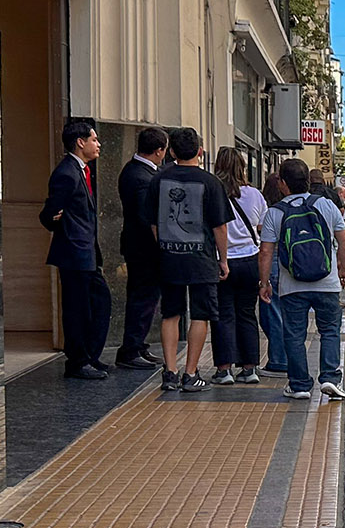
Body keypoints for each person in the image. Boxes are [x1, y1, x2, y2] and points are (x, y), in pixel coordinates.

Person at [143, 128, 231, 393]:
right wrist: (223, 259)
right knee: (200, 316)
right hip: (201, 258)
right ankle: (190, 373)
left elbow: (153, 223)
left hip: (169, 256)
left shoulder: (158, 180)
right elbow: (220, 227)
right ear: (200, 152)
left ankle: (169, 372)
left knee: (170, 313)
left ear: (171, 152)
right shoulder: (211, 182)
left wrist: (164, 245)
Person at [259, 157, 345, 400]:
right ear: (308, 181)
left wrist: (265, 282)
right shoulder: (326, 205)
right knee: (330, 329)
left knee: (294, 333)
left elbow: (266, 252)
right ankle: (330, 377)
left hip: (292, 285)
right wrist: (344, 270)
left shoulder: (275, 213)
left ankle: (299, 384)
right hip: (327, 281)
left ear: (282, 183)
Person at [41, 119, 112, 379]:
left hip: (86, 252)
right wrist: (55, 220)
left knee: (99, 302)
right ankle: (78, 362)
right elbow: (49, 212)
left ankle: (89, 356)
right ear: (80, 142)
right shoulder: (66, 172)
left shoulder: (82, 169)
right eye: (94, 140)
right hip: (73, 252)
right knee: (77, 309)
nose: (98, 144)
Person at [114, 126, 168, 370]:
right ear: (158, 151)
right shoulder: (142, 177)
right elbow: (146, 216)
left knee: (144, 297)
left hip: (137, 246)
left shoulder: (133, 170)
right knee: (143, 299)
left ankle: (137, 345)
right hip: (144, 248)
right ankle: (131, 348)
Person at [213, 147, 268, 385]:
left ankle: (224, 369)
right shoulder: (254, 194)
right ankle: (250, 367)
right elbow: (263, 225)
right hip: (249, 259)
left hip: (221, 259)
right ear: (242, 168)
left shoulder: (213, 191)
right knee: (247, 313)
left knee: (224, 314)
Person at [257, 171, 291, 377]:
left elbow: (266, 249)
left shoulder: (270, 211)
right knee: (286, 314)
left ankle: (278, 359)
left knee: (272, 312)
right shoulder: (289, 208)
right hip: (289, 262)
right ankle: (287, 357)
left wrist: (263, 280)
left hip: (274, 262)